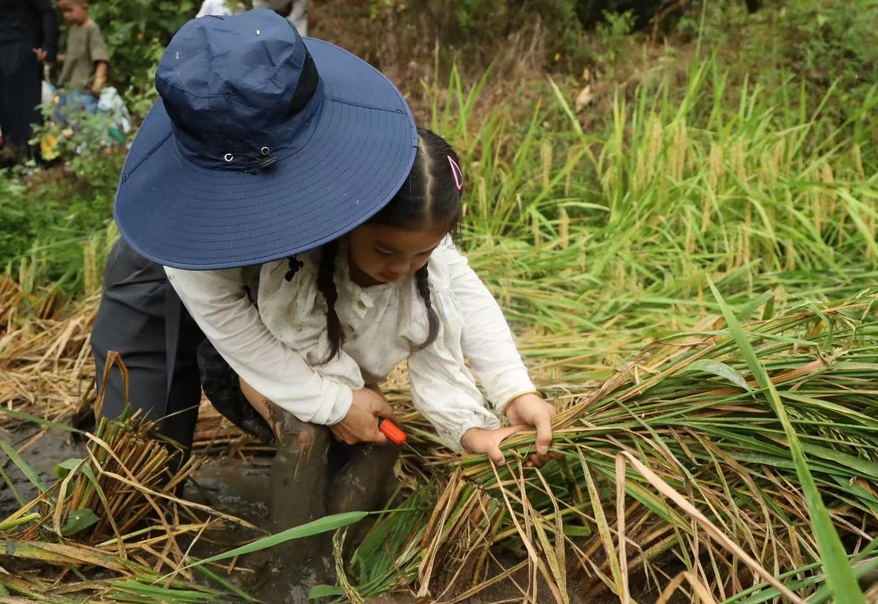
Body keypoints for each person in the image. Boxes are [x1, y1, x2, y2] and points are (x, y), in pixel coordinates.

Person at [90, 8, 555, 568]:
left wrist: (510, 389)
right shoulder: (190, 219)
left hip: (297, 280)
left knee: (329, 433)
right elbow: (233, 327)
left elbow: (448, 281)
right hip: (170, 258)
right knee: (142, 461)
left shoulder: (369, 172)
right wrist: (334, 402)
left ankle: (312, 553)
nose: (401, 264)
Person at [0, 0, 58, 165]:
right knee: (9, 103)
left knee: (24, 102)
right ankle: (17, 153)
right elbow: (47, 12)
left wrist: (48, 47)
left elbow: (46, 12)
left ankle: (27, 153)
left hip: (25, 45)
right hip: (14, 45)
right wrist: (49, 46)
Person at [54, 0, 109, 125]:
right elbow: (75, 55)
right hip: (67, 85)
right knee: (61, 121)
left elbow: (101, 57)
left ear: (84, 7)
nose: (66, 15)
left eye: (69, 10)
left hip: (82, 87)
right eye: (63, 11)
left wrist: (99, 80)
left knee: (80, 124)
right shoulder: (73, 30)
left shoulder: (91, 29)